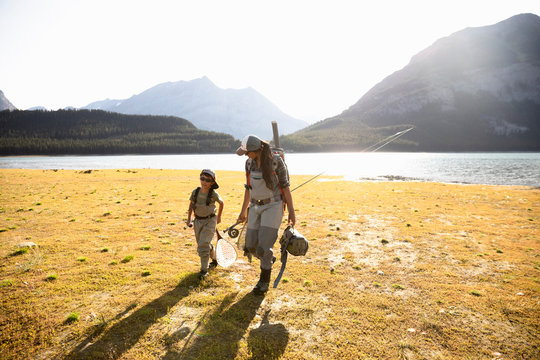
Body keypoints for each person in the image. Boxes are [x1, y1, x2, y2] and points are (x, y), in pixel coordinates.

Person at [236, 134, 296, 295]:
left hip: (273, 206)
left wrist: (291, 212)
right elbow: (248, 189)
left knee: (263, 245)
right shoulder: (249, 163)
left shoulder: (276, 162)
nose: (246, 155)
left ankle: (264, 281)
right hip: (255, 206)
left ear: (255, 150)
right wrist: (243, 211)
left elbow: (286, 188)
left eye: (247, 152)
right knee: (250, 245)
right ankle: (267, 259)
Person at [186, 169, 224, 279]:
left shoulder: (213, 194)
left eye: (207, 180)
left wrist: (219, 217)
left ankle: (203, 270)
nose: (204, 182)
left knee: (203, 245)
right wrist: (189, 219)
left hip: (210, 221)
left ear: (212, 182)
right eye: (202, 178)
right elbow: (191, 206)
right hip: (197, 221)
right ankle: (215, 258)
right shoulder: (195, 192)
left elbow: (221, 203)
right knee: (203, 244)